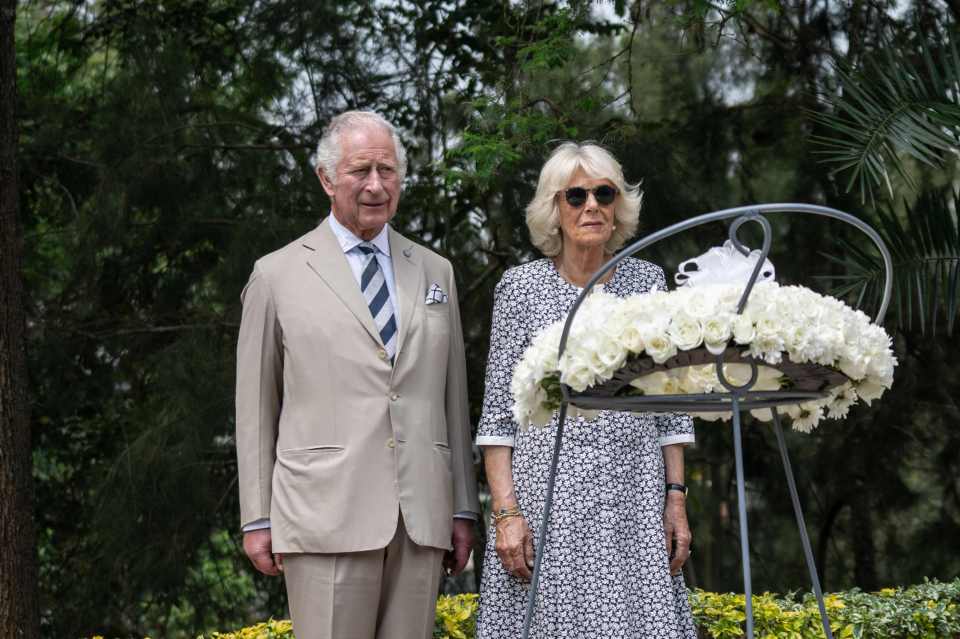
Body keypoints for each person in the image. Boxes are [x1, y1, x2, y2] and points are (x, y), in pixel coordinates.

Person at [235, 110, 480, 639]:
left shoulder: (437, 272)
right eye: (360, 171)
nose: (376, 185)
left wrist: (463, 507)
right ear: (326, 179)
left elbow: (451, 401)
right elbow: (255, 407)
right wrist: (256, 517)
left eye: (387, 171)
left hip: (421, 519)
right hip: (324, 515)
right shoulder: (275, 275)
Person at [475, 142, 697, 638]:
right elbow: (497, 417)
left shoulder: (648, 281)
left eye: (603, 192)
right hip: (545, 506)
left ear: (618, 204)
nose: (591, 205)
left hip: (634, 504)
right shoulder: (520, 289)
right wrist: (507, 513)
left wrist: (675, 499)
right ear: (555, 209)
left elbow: (671, 406)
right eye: (575, 195)